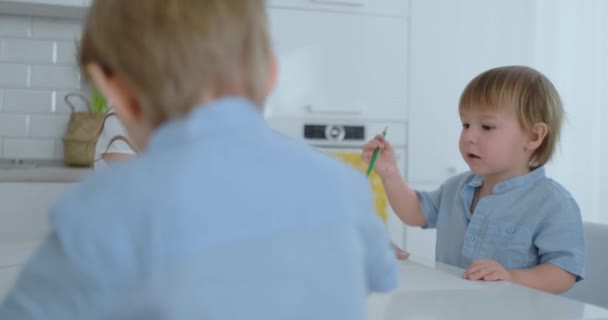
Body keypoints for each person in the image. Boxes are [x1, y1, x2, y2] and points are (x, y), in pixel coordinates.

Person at [0, 1, 398, 319]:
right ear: (271, 75)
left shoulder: (101, 209)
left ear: (115, 95)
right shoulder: (342, 186)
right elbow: (377, 275)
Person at [362, 66, 584, 294]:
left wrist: (511, 276)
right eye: (465, 124)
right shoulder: (457, 187)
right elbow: (415, 213)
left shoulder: (552, 203)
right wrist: (389, 173)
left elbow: (563, 273)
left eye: (487, 127)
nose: (468, 136)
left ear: (534, 136)